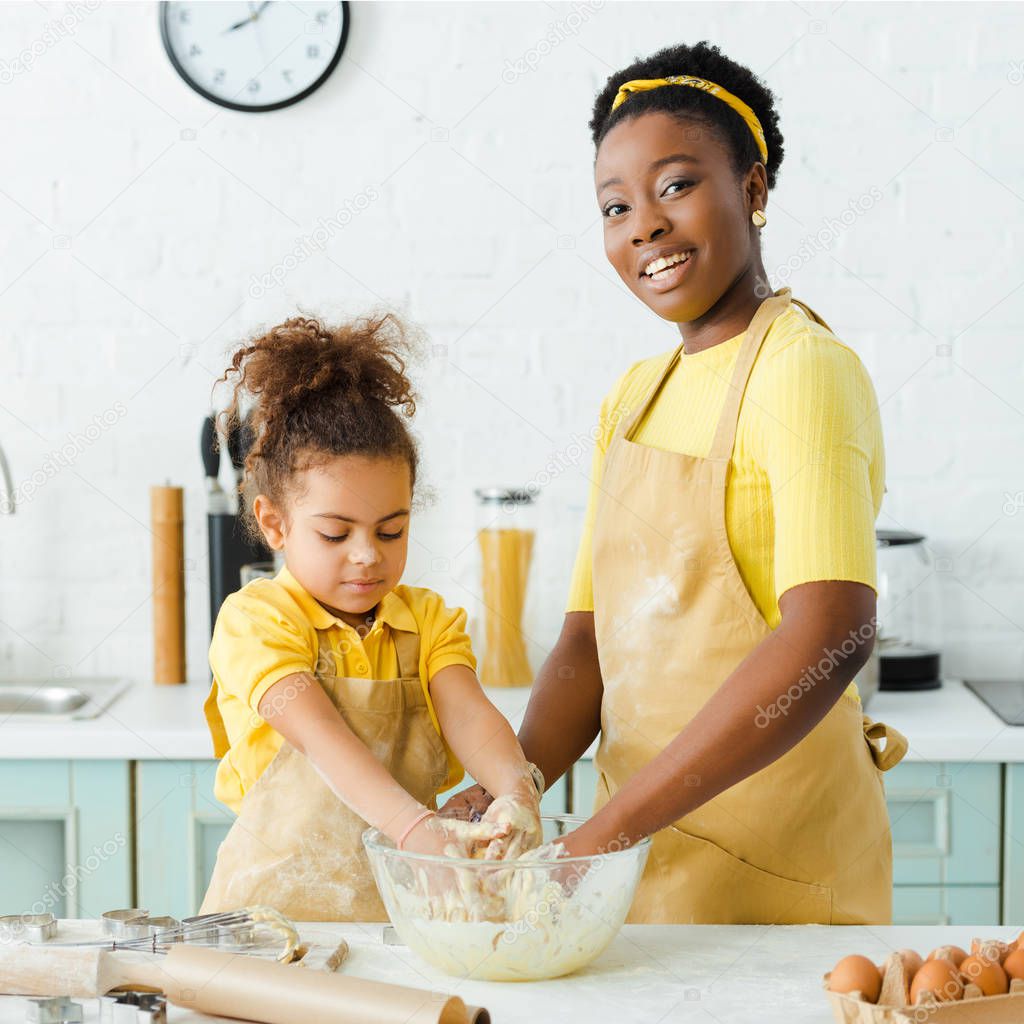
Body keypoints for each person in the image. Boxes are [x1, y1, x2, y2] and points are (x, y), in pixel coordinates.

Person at [444, 41, 908, 925]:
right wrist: (515, 788)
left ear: (755, 190)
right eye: (615, 206)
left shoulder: (802, 369)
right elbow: (587, 647)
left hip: (783, 880)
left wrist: (610, 830)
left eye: (675, 185)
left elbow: (832, 631)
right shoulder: (631, 398)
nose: (644, 225)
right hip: (637, 882)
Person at [200, 313, 543, 921]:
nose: (367, 555)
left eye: (392, 530)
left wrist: (517, 793)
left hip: (404, 908)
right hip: (271, 920)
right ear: (275, 523)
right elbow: (321, 739)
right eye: (335, 534)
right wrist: (415, 830)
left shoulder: (429, 620)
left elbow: (468, 715)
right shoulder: (255, 622)